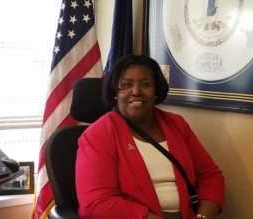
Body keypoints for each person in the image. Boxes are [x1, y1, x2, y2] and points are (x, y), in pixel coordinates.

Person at [75, 54, 225, 219]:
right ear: (115, 93)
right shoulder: (98, 135)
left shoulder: (176, 124)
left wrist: (203, 216)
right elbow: (97, 202)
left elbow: (210, 176)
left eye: (146, 84)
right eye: (126, 85)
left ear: (156, 91)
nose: (136, 91)